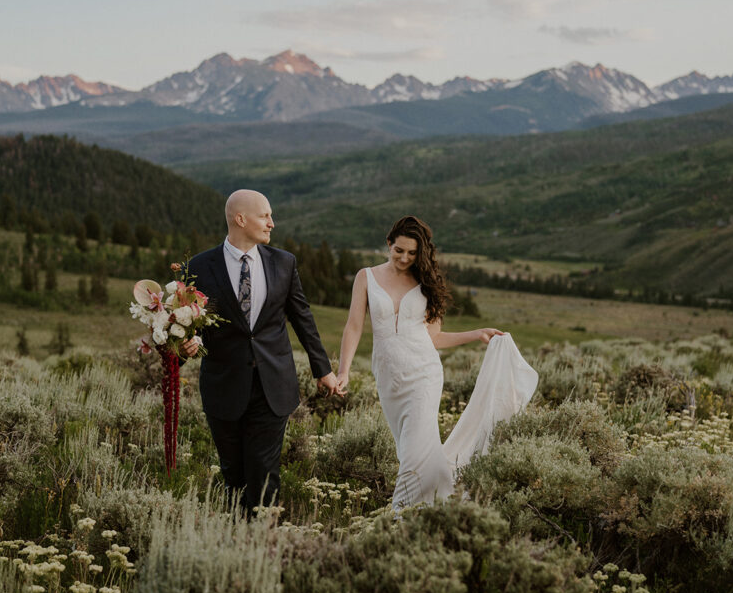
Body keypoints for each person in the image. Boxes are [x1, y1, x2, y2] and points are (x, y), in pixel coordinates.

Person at [335, 216, 537, 510]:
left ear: (421, 253)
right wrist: (344, 371)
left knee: (415, 454)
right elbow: (353, 326)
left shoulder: (426, 283)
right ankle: (449, 506)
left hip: (423, 375)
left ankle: (401, 518)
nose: (404, 258)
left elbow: (434, 338)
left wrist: (477, 334)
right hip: (388, 379)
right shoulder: (365, 277)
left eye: (412, 253)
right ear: (388, 244)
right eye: (399, 250)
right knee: (410, 453)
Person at [183, 190, 338, 512]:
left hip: (273, 385)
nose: (272, 223)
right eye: (264, 216)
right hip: (223, 386)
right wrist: (186, 346)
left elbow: (302, 319)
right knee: (233, 474)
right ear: (241, 219)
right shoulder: (199, 266)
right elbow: (187, 325)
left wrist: (323, 370)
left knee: (264, 473)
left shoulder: (284, 262)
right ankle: (239, 543)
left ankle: (264, 542)